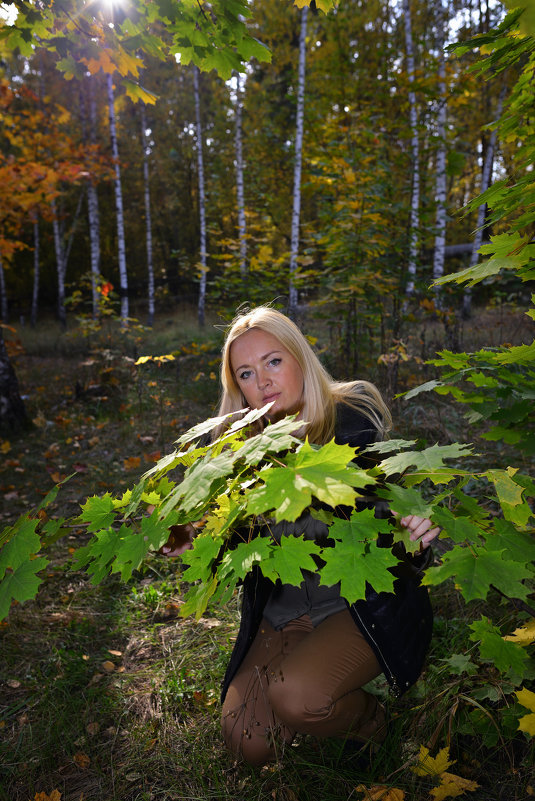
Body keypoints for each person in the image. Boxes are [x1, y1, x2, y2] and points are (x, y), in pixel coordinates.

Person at [162, 306, 440, 767]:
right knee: (248, 742)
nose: (264, 381)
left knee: (299, 697)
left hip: (356, 607)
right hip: (284, 613)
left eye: (274, 361)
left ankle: (369, 723)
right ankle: (305, 690)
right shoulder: (238, 456)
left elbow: (396, 528)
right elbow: (232, 545)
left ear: (300, 358)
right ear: (238, 388)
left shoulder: (352, 427)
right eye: (246, 373)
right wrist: (197, 536)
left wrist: (413, 542)